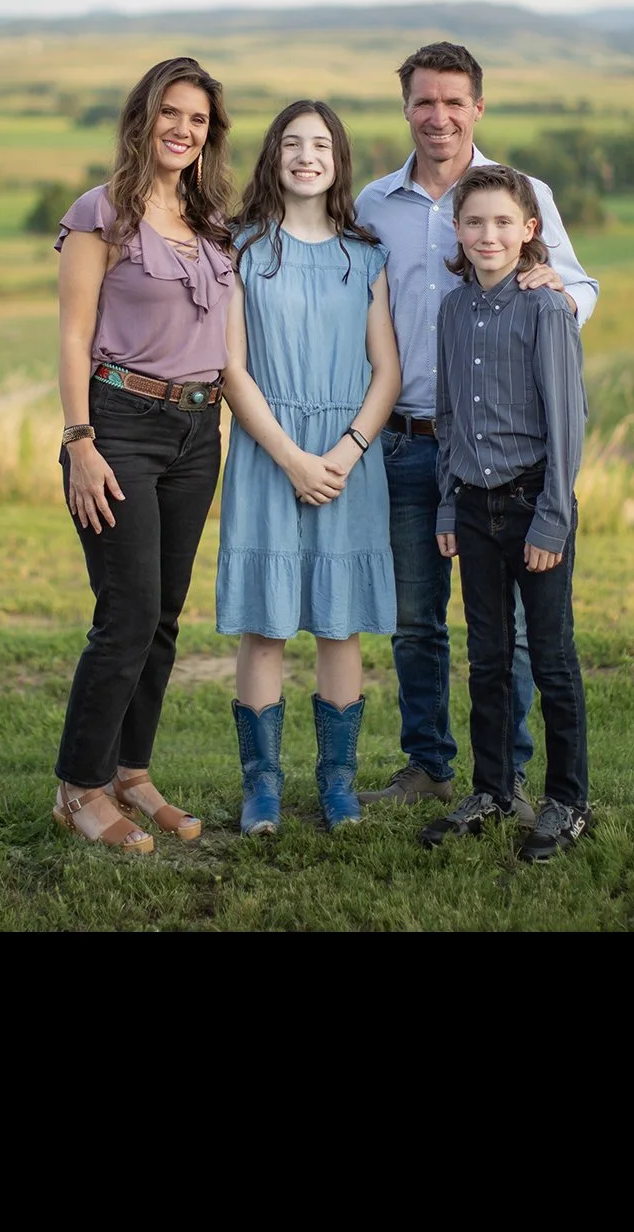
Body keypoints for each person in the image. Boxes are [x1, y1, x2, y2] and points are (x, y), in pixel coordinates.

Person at [352, 41, 598, 817]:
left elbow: (579, 283)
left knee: (517, 636)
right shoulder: (372, 204)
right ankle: (428, 765)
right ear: (406, 109)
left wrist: (553, 297)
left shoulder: (522, 195)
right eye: (425, 101)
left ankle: (509, 776)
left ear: (478, 107)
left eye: (454, 101)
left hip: (506, 458)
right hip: (405, 439)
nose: (439, 115)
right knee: (415, 622)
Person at [50, 55, 234, 854]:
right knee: (124, 615)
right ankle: (78, 789)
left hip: (199, 431)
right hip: (118, 424)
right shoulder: (102, 213)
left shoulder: (213, 225)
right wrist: (79, 440)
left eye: (197, 120)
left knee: (161, 616)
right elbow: (70, 333)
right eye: (172, 113)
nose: (183, 129)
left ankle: (131, 772)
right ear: (143, 117)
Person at [217, 101, 401, 833]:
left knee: (339, 624)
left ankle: (338, 784)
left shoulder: (367, 254)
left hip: (350, 460)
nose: (305, 155)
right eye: (291, 143)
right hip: (268, 455)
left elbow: (386, 370)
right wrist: (292, 457)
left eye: (320, 143)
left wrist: (346, 452)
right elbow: (230, 368)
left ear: (338, 159)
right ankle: (261, 786)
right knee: (264, 626)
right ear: (273, 157)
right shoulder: (243, 249)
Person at [423, 164, 591, 862]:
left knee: (549, 658)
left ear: (529, 231)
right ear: (458, 232)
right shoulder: (454, 310)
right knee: (486, 657)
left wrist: (552, 518)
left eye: (502, 223)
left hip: (532, 506)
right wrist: (445, 503)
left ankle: (567, 801)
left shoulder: (547, 309)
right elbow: (449, 414)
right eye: (474, 222)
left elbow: (568, 422)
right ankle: (491, 790)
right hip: (472, 509)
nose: (488, 235)